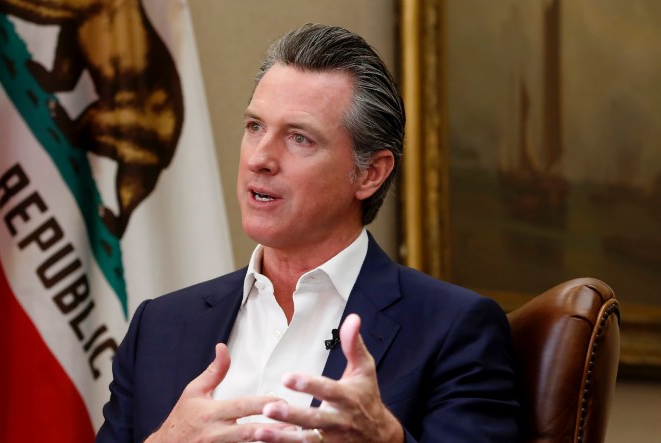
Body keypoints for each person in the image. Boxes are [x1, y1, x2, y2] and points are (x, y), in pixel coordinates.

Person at [96, 24, 521, 443]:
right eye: (255, 127)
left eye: (299, 138)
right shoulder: (160, 326)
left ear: (370, 174)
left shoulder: (453, 330)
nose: (260, 158)